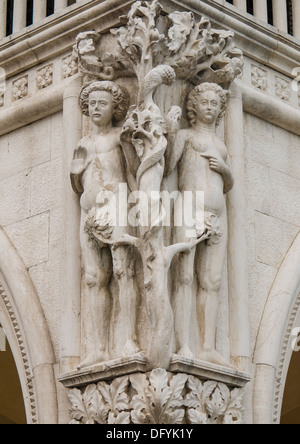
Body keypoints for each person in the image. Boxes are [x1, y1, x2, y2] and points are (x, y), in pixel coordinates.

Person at [71, 81, 139, 367]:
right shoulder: (83, 144)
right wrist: (77, 170)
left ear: (114, 108)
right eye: (92, 104)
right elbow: (77, 184)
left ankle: (130, 338)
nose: (95, 108)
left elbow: (133, 170)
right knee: (94, 278)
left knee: (123, 272)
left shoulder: (118, 137)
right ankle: (98, 347)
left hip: (116, 207)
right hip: (89, 214)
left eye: (102, 103)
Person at [166, 83, 234, 366]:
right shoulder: (186, 135)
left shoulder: (221, 145)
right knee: (184, 277)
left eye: (214, 103)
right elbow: (169, 165)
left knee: (213, 280)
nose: (210, 107)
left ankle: (207, 346)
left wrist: (224, 168)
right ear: (194, 107)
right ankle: (183, 343)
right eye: (204, 102)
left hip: (217, 215)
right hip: (189, 208)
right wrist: (170, 132)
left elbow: (228, 184)